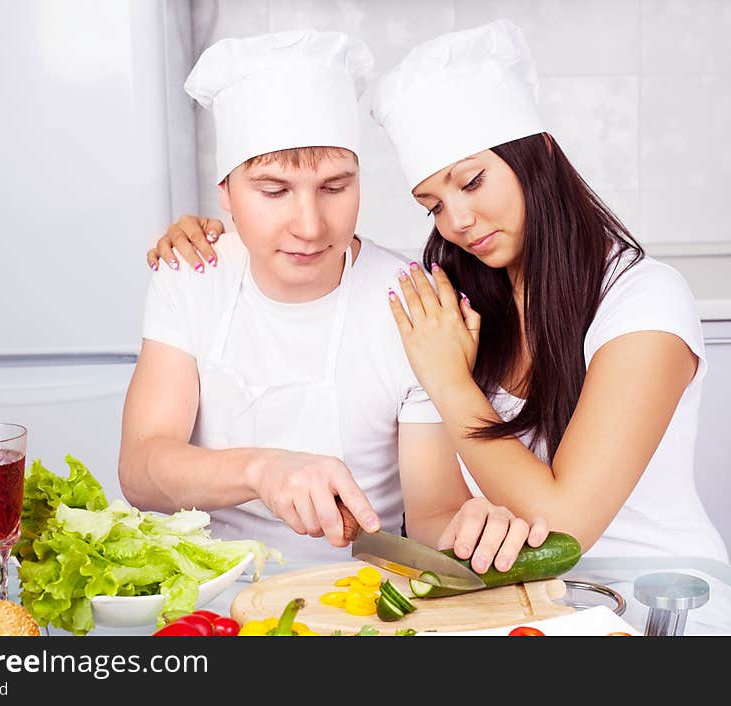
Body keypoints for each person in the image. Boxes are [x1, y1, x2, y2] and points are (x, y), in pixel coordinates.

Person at [147, 20, 729, 569]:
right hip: (528, 599)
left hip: (656, 598)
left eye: (473, 181)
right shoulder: (461, 295)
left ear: (543, 153)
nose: (460, 221)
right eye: (433, 205)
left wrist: (448, 380)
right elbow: (437, 512)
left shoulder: (644, 302)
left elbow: (566, 523)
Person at [119, 28, 547, 569]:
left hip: (353, 598)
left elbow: (433, 512)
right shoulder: (192, 273)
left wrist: (476, 528)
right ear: (225, 193)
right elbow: (140, 469)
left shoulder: (415, 304)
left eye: (335, 187)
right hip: (204, 598)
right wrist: (261, 470)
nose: (310, 225)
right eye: (274, 191)